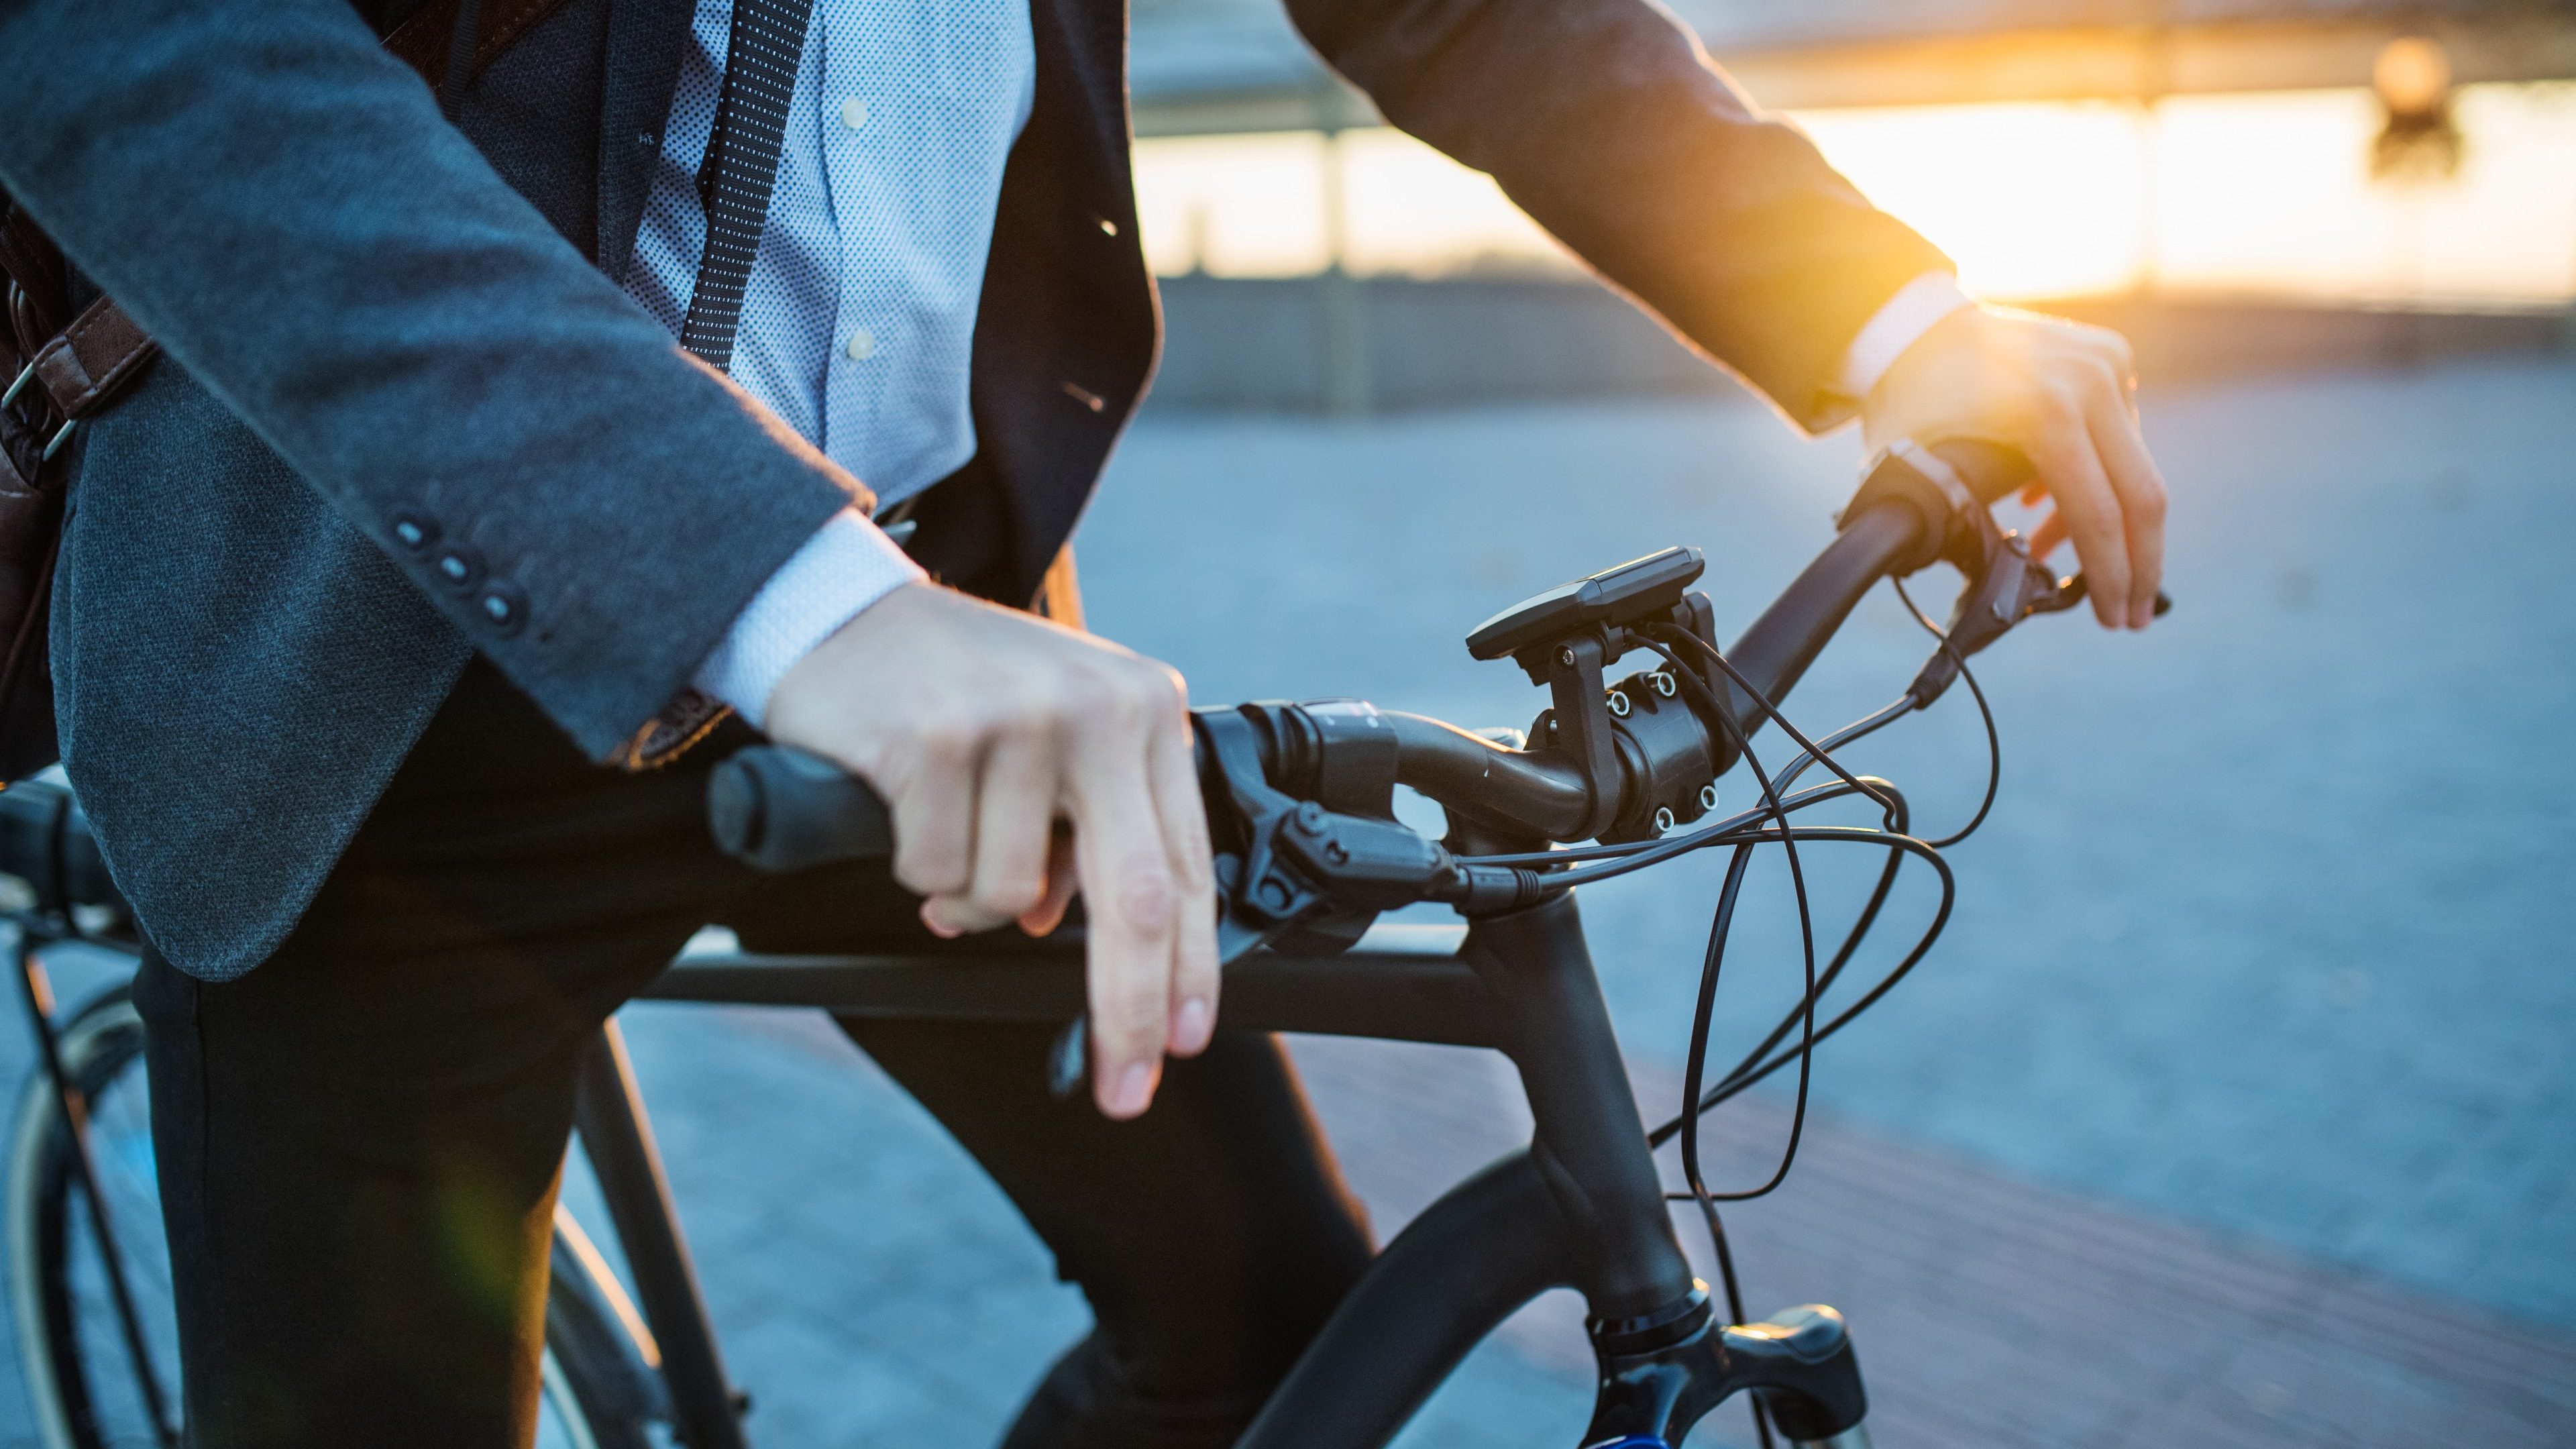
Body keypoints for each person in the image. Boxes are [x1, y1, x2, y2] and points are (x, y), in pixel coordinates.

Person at [0, 0, 2167, 1443]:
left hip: (941, 636)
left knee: (1268, 1333)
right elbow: (159, 52)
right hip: (373, 676)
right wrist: (777, 591)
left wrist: (1889, 309)